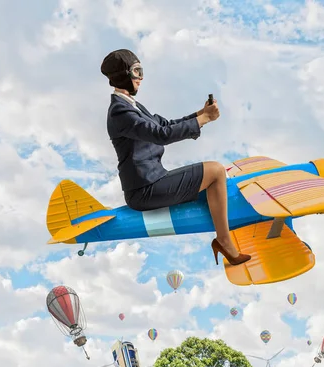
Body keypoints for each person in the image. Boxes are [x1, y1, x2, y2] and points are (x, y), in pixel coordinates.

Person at [100, 49, 251, 266]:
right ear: (124, 74)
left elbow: (165, 125)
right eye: (136, 71)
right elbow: (161, 135)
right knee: (216, 171)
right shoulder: (120, 111)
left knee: (216, 172)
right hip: (144, 189)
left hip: (153, 180)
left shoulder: (131, 106)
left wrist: (200, 114)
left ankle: (224, 236)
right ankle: (225, 241)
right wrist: (205, 119)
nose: (141, 78)